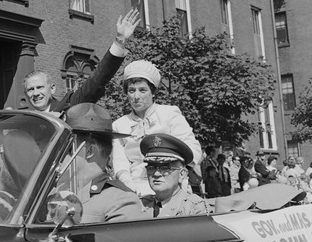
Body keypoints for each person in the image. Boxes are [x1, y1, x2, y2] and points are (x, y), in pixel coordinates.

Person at [22, 8, 141, 116]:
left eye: (40, 87)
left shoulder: (70, 107)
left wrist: (120, 40)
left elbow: (96, 81)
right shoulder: (22, 121)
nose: (36, 93)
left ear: (52, 88)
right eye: (30, 89)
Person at [111, 59, 202, 197]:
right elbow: (120, 161)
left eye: (142, 90)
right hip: (136, 190)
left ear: (152, 92)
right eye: (131, 90)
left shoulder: (169, 114)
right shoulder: (119, 125)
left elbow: (193, 148)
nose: (136, 96)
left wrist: (179, 174)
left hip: (172, 186)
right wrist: (129, 185)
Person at [57, 103, 144, 224]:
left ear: (89, 151)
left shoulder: (120, 200)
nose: (58, 156)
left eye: (67, 149)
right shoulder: (56, 193)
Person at [138, 133, 209, 218]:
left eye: (165, 168)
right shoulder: (139, 206)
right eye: (151, 167)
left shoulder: (194, 208)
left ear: (182, 174)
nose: (156, 174)